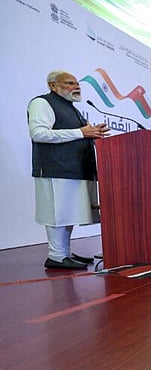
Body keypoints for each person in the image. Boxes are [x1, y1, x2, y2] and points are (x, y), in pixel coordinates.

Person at [29, 70, 110, 269]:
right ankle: (56, 256)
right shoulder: (42, 102)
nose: (76, 86)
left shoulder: (71, 107)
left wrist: (91, 133)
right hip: (55, 168)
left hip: (74, 169)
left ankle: (63, 252)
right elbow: (38, 134)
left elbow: (78, 135)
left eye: (77, 83)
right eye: (69, 83)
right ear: (52, 86)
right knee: (57, 214)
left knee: (67, 213)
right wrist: (81, 132)